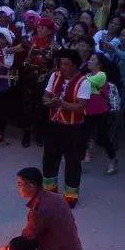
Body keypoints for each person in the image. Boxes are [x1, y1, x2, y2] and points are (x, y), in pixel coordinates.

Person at [41, 49, 90, 207]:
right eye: (61, 63)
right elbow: (45, 96)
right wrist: (48, 102)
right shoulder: (54, 76)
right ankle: (49, 191)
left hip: (74, 129)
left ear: (75, 65)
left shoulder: (84, 82)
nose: (62, 67)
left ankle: (70, 197)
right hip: (53, 125)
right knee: (49, 158)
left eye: (66, 64)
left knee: (73, 162)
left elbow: (80, 107)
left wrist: (60, 103)